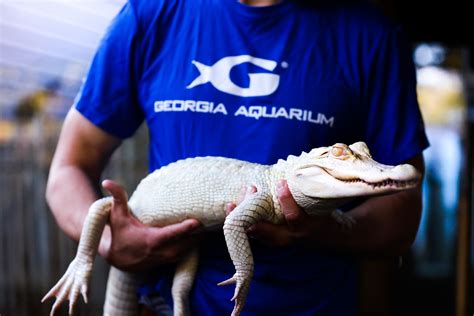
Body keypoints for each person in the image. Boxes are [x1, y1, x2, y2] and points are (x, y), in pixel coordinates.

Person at [46, 0, 429, 315]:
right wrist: (111, 244)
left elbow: (402, 205)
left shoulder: (371, 36)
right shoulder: (149, 15)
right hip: (163, 302)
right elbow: (68, 168)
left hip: (314, 306)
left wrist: (322, 228)